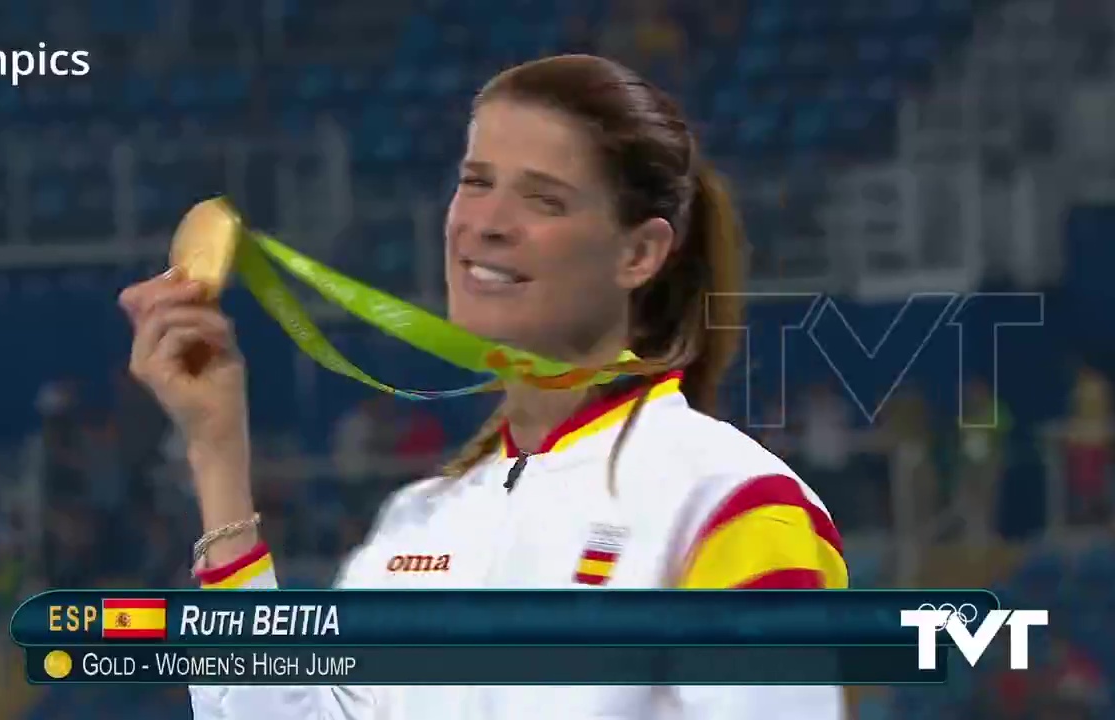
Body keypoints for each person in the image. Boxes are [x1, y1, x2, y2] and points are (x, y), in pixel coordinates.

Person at [121, 54, 848, 719]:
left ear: (640, 252)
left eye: (544, 200)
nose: (488, 224)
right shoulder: (419, 523)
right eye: (476, 181)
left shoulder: (731, 504)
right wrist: (217, 453)